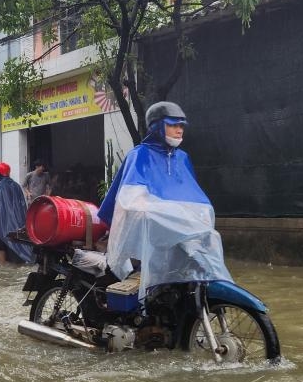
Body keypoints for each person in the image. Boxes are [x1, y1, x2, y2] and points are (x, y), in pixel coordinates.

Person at [97, 101, 232, 297]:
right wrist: (160, 211)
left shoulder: (182, 158)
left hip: (178, 233)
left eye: (181, 126)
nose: (179, 130)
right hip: (150, 232)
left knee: (210, 238)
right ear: (157, 127)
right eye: (173, 125)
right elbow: (131, 200)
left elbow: (193, 197)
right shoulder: (139, 154)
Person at [0, 162, 34, 265]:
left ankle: (2, 267)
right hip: (16, 223)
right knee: (15, 244)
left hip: (0, 223)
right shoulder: (17, 186)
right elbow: (22, 205)